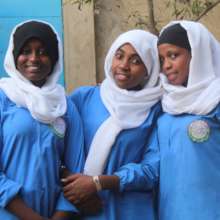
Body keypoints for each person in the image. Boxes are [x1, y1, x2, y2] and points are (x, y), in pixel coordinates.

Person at [63, 29, 163, 219]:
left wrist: (99, 183)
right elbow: (57, 149)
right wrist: (78, 187)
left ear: (149, 69)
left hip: (129, 210)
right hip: (78, 203)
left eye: (136, 61)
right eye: (119, 56)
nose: (124, 65)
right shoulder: (83, 98)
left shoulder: (157, 111)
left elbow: (152, 169)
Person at [0, 20, 85, 220]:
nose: (34, 59)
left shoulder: (65, 106)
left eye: (43, 52)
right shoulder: (3, 98)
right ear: (14, 55)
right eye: (26, 51)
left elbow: (76, 171)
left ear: (55, 58)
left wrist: (59, 216)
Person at [153, 20, 220, 219]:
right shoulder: (166, 105)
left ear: (197, 54)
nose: (166, 66)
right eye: (162, 59)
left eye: (174, 55)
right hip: (171, 212)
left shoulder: (215, 99)